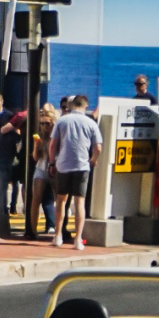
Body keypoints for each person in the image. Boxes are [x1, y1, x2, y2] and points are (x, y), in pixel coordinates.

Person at [49, 94, 102, 248]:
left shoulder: (62, 120)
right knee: (79, 202)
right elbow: (98, 147)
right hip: (82, 166)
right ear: (85, 106)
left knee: (61, 200)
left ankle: (58, 236)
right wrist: (92, 159)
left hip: (63, 165)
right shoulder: (90, 123)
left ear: (71, 106)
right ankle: (78, 240)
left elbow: (53, 145)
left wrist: (52, 163)